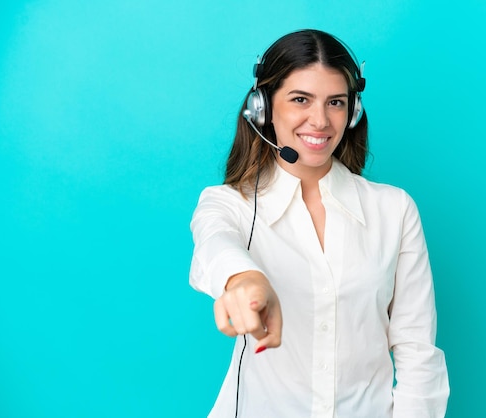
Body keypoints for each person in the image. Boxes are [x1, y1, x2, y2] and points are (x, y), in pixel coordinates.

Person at [189, 29, 449, 418]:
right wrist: (242, 279)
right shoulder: (229, 203)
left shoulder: (394, 210)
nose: (321, 120)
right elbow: (215, 244)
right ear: (263, 108)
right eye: (300, 100)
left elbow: (417, 352)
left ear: (353, 111)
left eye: (336, 103)